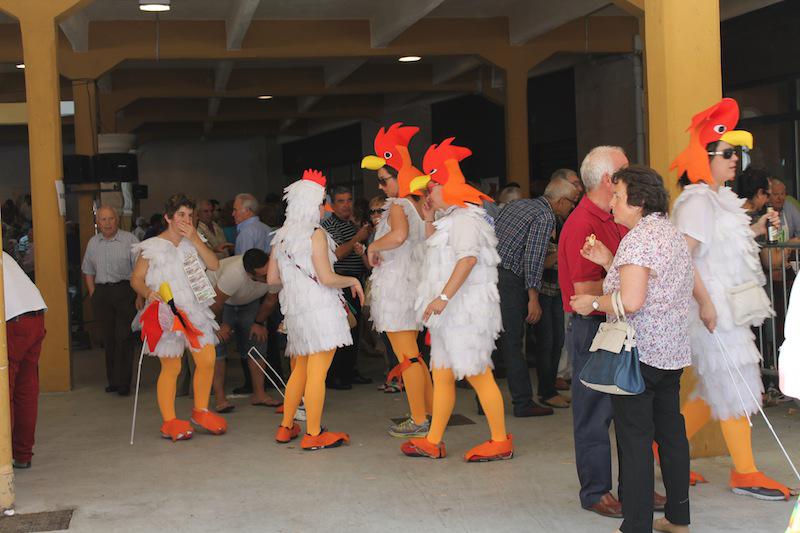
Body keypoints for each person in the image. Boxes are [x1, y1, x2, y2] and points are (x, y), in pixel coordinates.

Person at [671, 97, 789, 500]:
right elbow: (684, 257)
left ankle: (663, 449)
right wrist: (705, 304)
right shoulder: (697, 201)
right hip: (714, 310)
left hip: (725, 307)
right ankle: (746, 472)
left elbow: (719, 246)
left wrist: (756, 228)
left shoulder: (716, 198)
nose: (735, 159)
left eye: (735, 153)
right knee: (737, 384)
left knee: (714, 389)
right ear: (704, 157)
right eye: (726, 153)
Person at [572, 165, 693, 533]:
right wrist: (609, 261)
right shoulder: (669, 232)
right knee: (671, 434)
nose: (612, 203)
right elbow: (648, 286)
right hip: (670, 352)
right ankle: (678, 518)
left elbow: (632, 300)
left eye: (618, 196)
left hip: (638, 353)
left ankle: (636, 525)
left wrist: (592, 303)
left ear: (638, 202)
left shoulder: (639, 239)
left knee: (634, 440)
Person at [400, 138, 512, 461]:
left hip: (465, 312)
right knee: (442, 374)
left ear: (447, 185)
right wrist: (427, 218)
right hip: (450, 315)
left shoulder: (465, 219)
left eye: (431, 187)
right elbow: (436, 249)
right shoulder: (451, 218)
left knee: (478, 373)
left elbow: (467, 259)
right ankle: (433, 440)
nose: (427, 194)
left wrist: (443, 297)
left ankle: (500, 441)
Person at [559, 146, 652, 518]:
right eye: (626, 169)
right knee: (594, 414)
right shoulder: (583, 223)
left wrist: (626, 281)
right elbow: (584, 292)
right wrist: (632, 285)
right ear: (608, 180)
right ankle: (596, 491)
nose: (634, 174)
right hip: (595, 326)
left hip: (620, 321)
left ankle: (635, 488)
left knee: (630, 410)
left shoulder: (618, 215)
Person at [268, 169, 364, 450]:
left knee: (300, 370)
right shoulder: (316, 235)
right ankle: (312, 433)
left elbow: (272, 280)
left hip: (296, 312)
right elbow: (327, 278)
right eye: (323, 203)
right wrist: (353, 280)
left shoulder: (281, 237)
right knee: (317, 373)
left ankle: (286, 426)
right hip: (321, 310)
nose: (326, 208)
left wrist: (296, 284)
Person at [130, 194, 225, 441]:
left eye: (190, 215)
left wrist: (195, 239)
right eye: (181, 215)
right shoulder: (151, 247)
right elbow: (136, 278)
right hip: (166, 312)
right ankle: (170, 421)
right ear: (168, 217)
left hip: (195, 309)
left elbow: (214, 265)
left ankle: (201, 411)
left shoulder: (194, 242)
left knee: (207, 359)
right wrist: (148, 293)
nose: (186, 220)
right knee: (172, 366)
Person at [362, 123, 435, 437]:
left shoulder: (398, 204)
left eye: (384, 179)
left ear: (399, 175)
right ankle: (429, 412)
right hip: (411, 286)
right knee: (414, 355)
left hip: (398, 288)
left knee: (408, 357)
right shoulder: (418, 204)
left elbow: (399, 236)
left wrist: (373, 246)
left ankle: (419, 419)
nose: (380, 186)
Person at [494, 178, 579, 415]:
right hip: (510, 280)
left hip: (490, 274)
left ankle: (485, 402)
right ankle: (523, 403)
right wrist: (533, 298)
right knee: (513, 342)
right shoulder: (545, 216)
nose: (572, 207)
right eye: (571, 202)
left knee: (494, 340)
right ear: (560, 201)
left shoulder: (517, 205)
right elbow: (533, 260)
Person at [208, 249, 281, 413]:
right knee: (217, 345)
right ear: (249, 275)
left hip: (249, 301)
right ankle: (220, 398)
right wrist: (219, 326)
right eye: (263, 276)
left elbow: (270, 301)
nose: (268, 278)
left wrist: (258, 323)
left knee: (258, 341)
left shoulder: (275, 270)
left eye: (268, 272)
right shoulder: (234, 273)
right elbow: (216, 303)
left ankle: (259, 394)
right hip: (218, 301)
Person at [81, 206, 139, 396]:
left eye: (111, 218)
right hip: (102, 293)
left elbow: (140, 270)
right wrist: (93, 293)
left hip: (125, 291)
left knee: (124, 336)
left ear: (117, 219)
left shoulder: (130, 240)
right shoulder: (93, 243)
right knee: (109, 338)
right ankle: (113, 381)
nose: (107, 223)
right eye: (103, 219)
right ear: (97, 222)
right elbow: (88, 270)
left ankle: (124, 383)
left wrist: (140, 295)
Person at [321, 186, 372, 389]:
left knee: (355, 330)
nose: (346, 205)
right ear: (332, 205)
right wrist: (358, 236)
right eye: (341, 201)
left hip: (355, 282)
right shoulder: (329, 226)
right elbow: (337, 254)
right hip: (340, 283)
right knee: (342, 329)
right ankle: (336, 375)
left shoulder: (351, 224)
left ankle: (350, 371)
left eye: (349, 200)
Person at [4, 251, 47, 469]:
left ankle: (3, 457)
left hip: (12, 322)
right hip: (35, 316)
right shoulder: (4, 255)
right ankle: (22, 454)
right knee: (26, 389)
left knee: (4, 392)